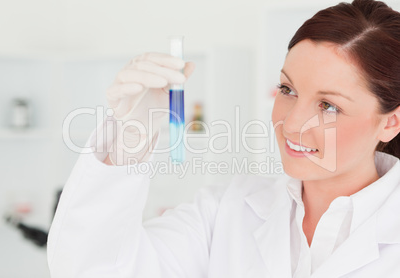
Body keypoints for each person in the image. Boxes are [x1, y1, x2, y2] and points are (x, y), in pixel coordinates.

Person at [47, 0, 400, 277]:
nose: (291, 124)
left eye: (328, 105)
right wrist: (130, 136)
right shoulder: (226, 213)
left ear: (391, 122)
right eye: (287, 89)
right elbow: (93, 270)